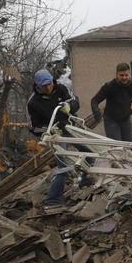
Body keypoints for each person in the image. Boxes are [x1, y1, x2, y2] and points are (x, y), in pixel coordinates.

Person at [27, 69, 91, 205]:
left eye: (50, 84)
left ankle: (86, 182)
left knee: (89, 151)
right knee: (63, 165)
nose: (49, 87)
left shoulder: (61, 88)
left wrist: (69, 106)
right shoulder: (33, 103)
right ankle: (52, 199)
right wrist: (49, 131)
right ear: (37, 85)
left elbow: (75, 101)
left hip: (70, 127)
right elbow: (33, 126)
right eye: (45, 86)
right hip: (56, 136)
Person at [91, 63, 132, 141]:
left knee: (131, 146)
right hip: (111, 120)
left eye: (126, 75)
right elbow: (94, 100)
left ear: (129, 74)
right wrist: (96, 112)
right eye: (121, 75)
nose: (124, 78)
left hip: (125, 120)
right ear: (116, 75)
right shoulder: (109, 86)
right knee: (118, 147)